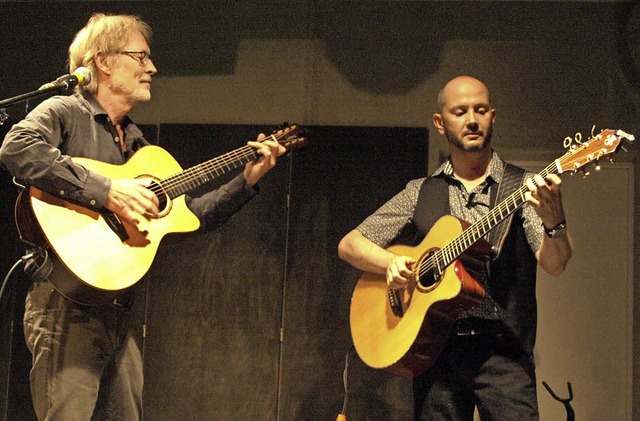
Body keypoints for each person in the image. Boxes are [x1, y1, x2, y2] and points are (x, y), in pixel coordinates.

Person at [0, 13, 286, 421]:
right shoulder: (65, 110)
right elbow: (17, 148)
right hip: (64, 305)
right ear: (104, 62)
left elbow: (189, 218)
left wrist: (246, 181)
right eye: (140, 57)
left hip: (117, 308)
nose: (151, 68)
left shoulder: (138, 144)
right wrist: (107, 191)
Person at [338, 75, 573, 420]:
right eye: (460, 111)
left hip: (504, 355)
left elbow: (555, 264)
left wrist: (555, 220)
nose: (472, 119)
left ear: (493, 116)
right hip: (435, 352)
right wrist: (390, 262)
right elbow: (350, 244)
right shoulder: (421, 191)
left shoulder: (522, 187)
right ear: (440, 122)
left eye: (480, 110)